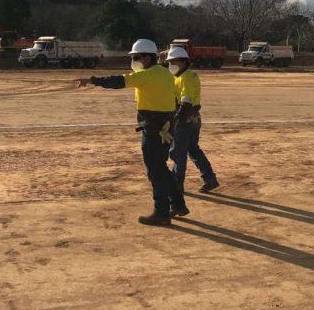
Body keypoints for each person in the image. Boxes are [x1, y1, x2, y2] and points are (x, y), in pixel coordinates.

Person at [78, 39, 187, 226]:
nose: (135, 60)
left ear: (147, 58)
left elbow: (119, 81)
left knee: (155, 171)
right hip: (166, 128)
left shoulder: (146, 75)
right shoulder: (165, 74)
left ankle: (161, 212)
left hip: (154, 130)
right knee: (161, 168)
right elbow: (174, 100)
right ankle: (178, 204)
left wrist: (93, 80)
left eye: (136, 57)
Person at [165, 46, 220, 194]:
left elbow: (186, 102)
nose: (170, 65)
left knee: (178, 153)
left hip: (185, 119)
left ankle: (177, 186)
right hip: (194, 119)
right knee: (194, 150)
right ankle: (210, 179)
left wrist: (177, 119)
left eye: (173, 61)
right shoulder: (185, 76)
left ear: (183, 62)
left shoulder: (185, 78)